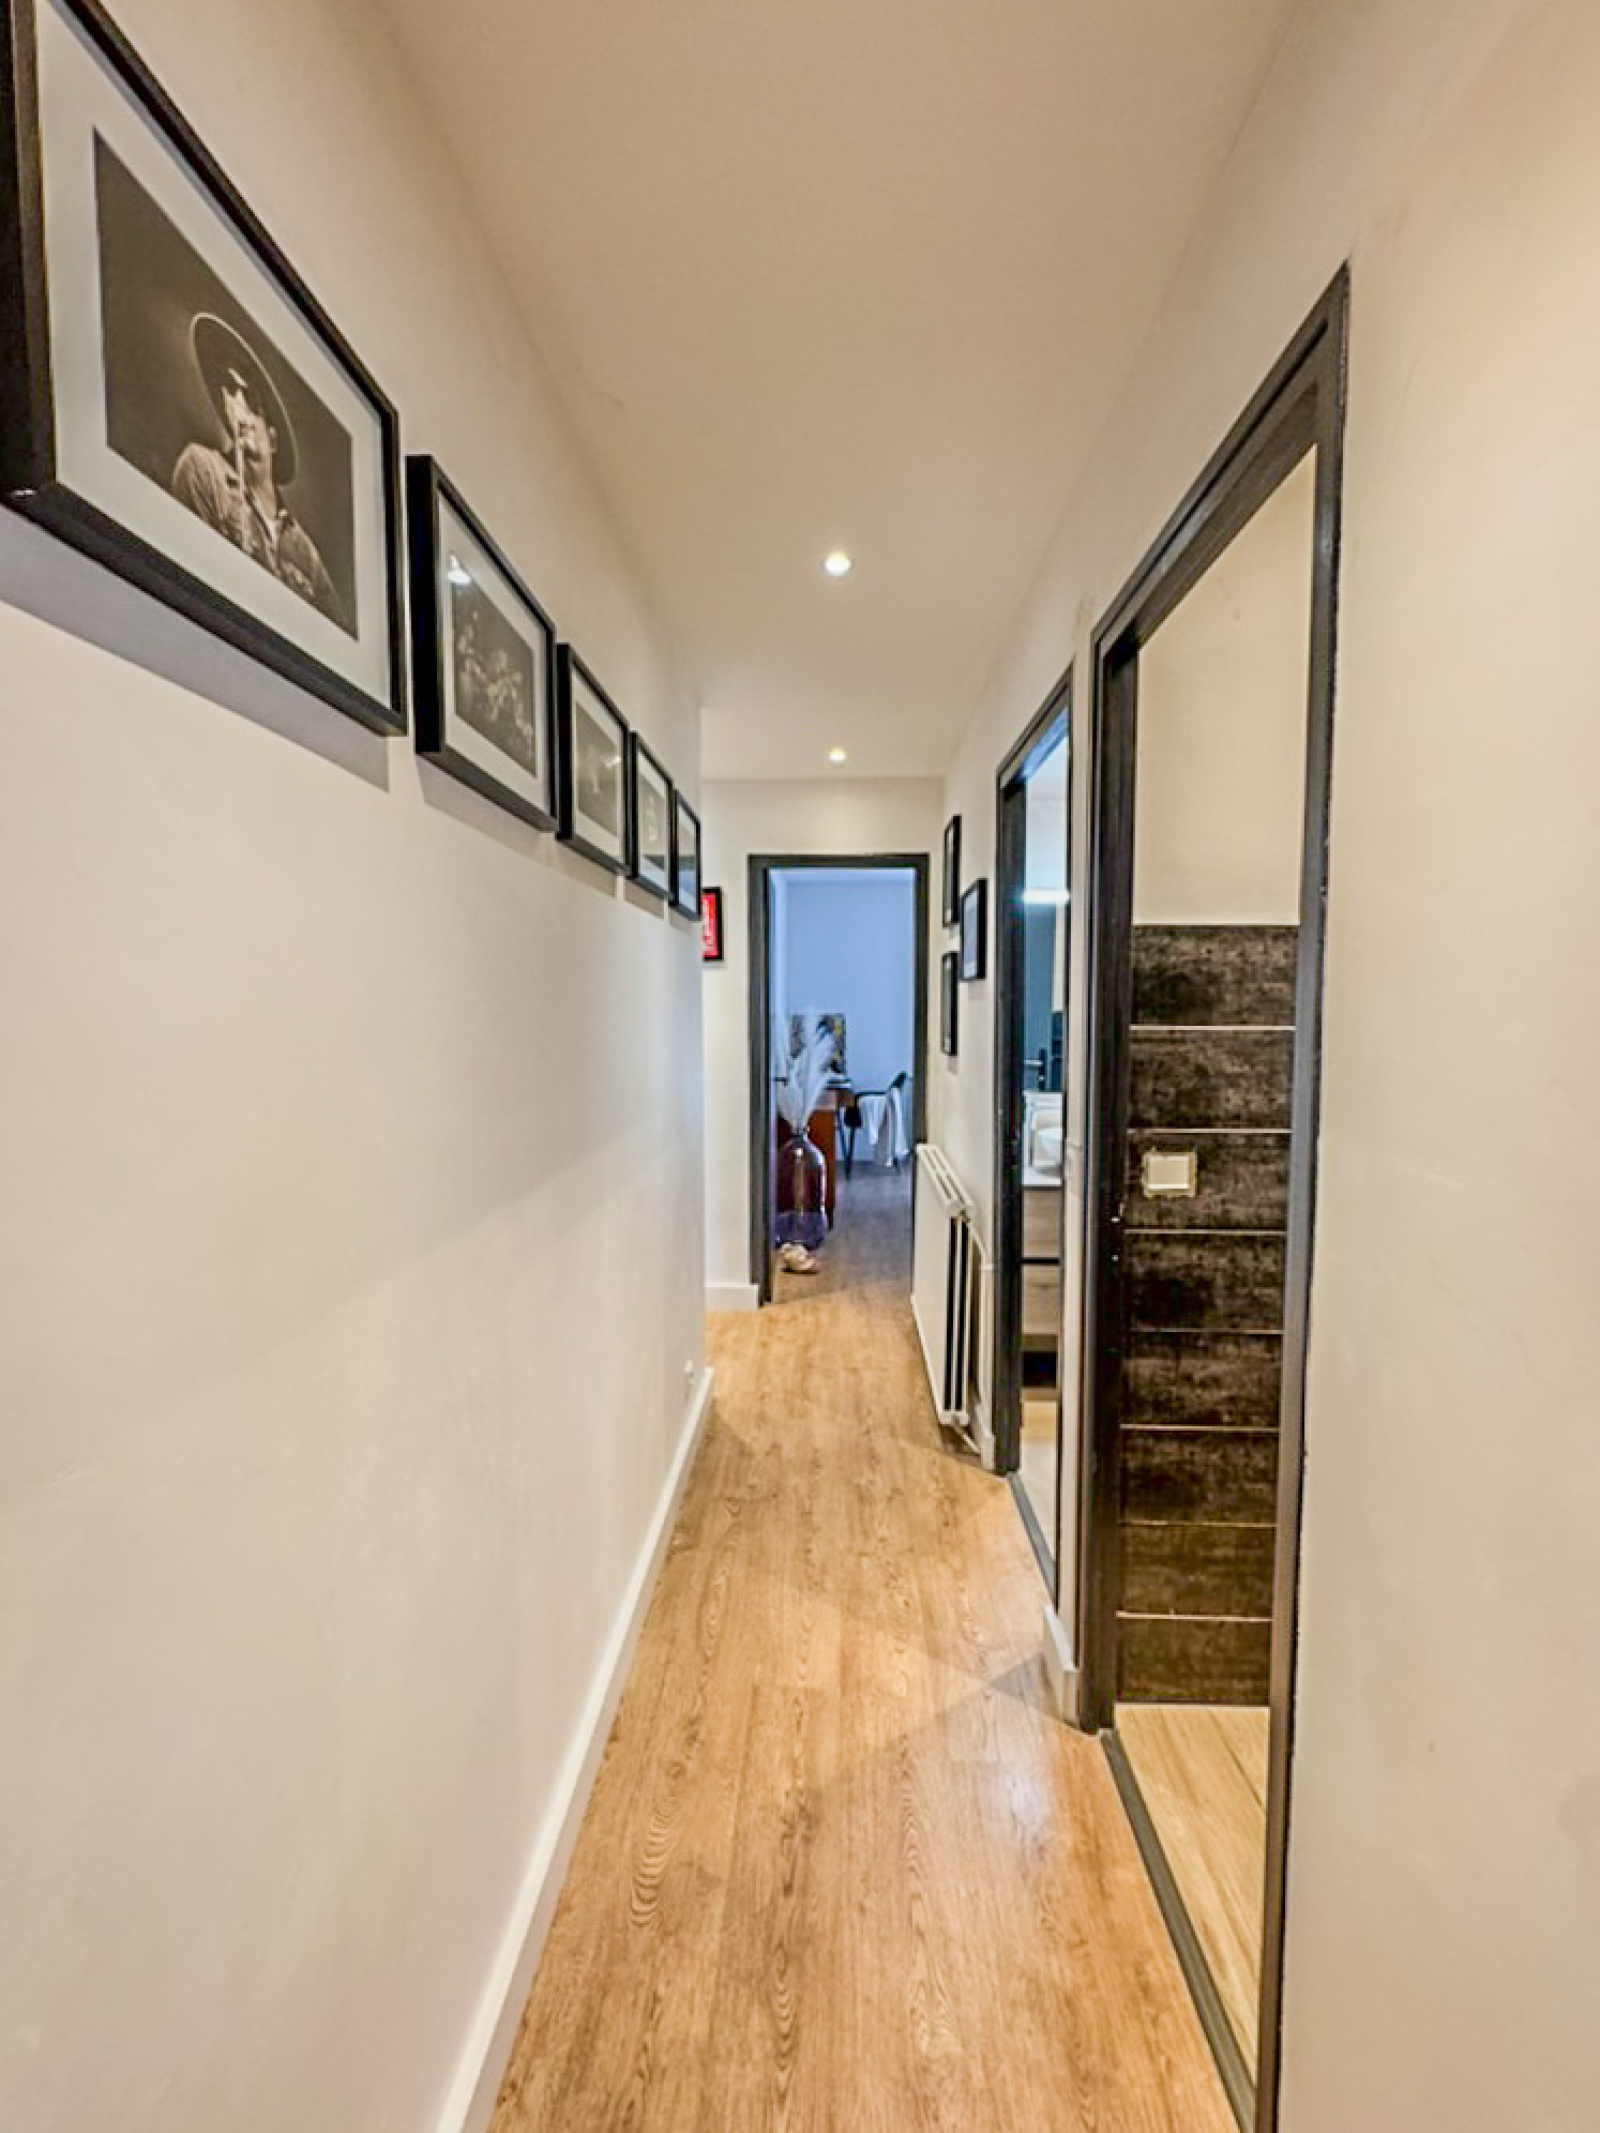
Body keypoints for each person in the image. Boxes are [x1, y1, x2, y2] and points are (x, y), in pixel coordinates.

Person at [171, 313, 344, 628]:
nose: (238, 407)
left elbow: (335, 637)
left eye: (250, 400)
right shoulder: (203, 469)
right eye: (230, 391)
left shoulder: (305, 552)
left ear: (273, 438)